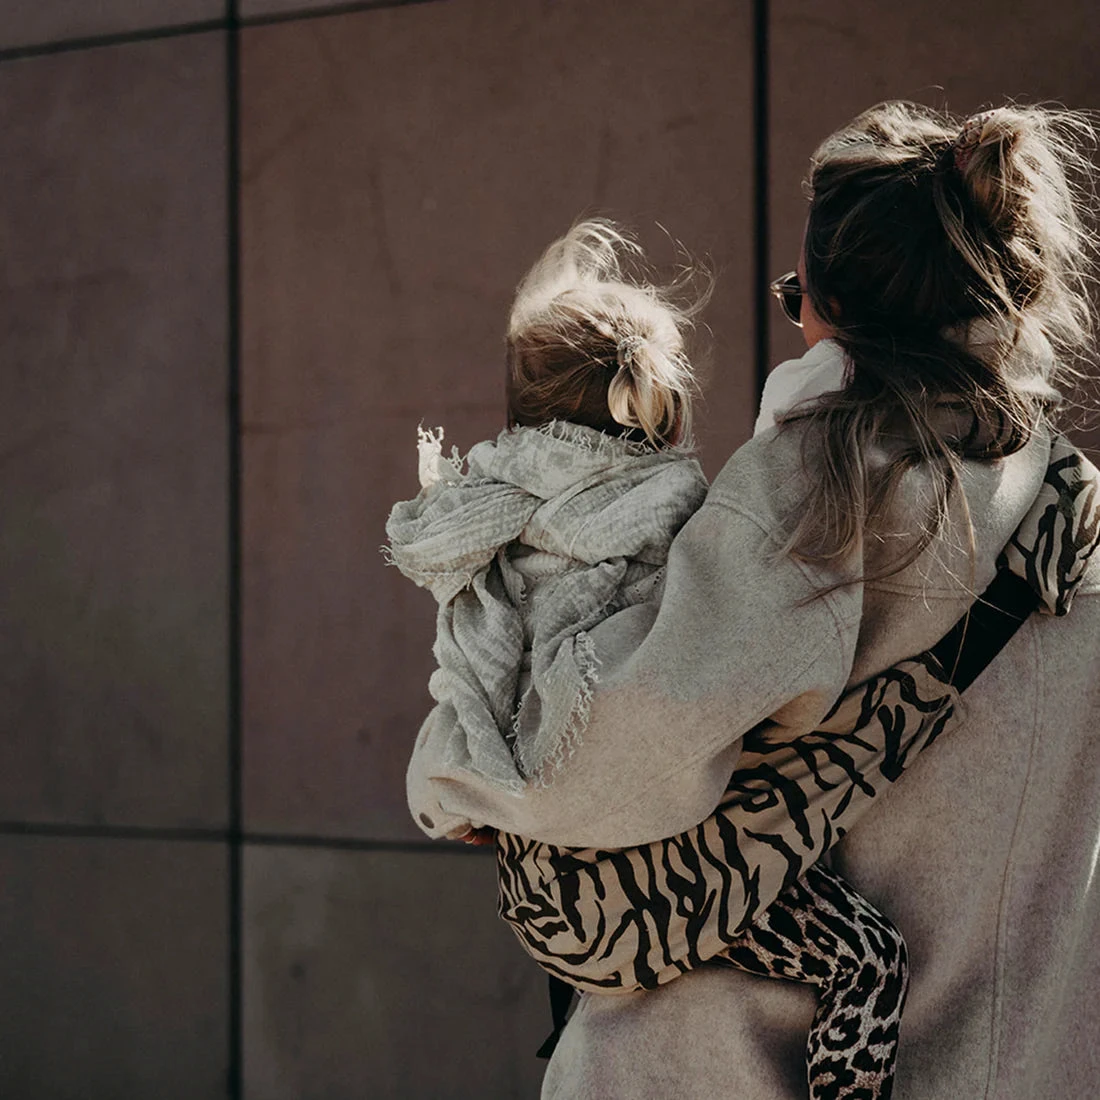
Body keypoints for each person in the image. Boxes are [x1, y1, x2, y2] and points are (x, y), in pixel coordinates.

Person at [401, 100, 1100, 1100]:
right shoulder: (1072, 509)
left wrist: (452, 780)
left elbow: (583, 762)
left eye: (795, 297)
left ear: (833, 307)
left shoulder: (822, 492)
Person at [388, 218, 940, 1097]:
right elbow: (715, 671)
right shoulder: (678, 515)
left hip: (539, 893)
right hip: (647, 875)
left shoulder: (488, 521)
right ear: (663, 408)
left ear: (521, 415)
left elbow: (471, 681)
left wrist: (465, 790)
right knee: (867, 961)